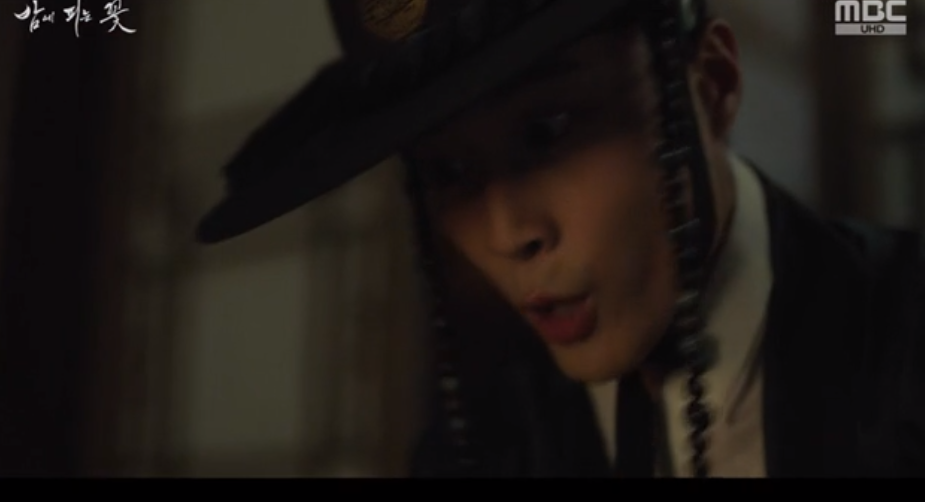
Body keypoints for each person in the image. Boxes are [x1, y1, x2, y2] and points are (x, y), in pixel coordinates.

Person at [195, 0, 925, 477]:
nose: (509, 234)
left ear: (711, 84)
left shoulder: (902, 338)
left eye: (548, 132)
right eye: (448, 172)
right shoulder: (479, 450)